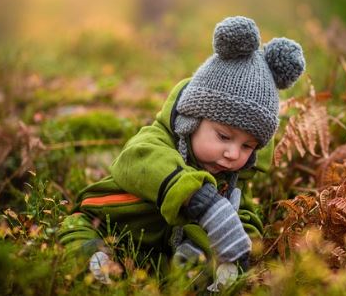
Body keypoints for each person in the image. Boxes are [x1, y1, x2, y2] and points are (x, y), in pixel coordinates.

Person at [58, 15, 305, 285]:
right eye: (223, 136)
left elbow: (243, 213)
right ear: (192, 120)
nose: (233, 153)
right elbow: (137, 160)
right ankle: (94, 264)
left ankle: (188, 273)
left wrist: (240, 246)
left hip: (156, 252)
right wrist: (199, 198)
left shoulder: (232, 178)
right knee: (80, 234)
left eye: (248, 146)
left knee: (199, 267)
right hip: (105, 222)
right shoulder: (156, 141)